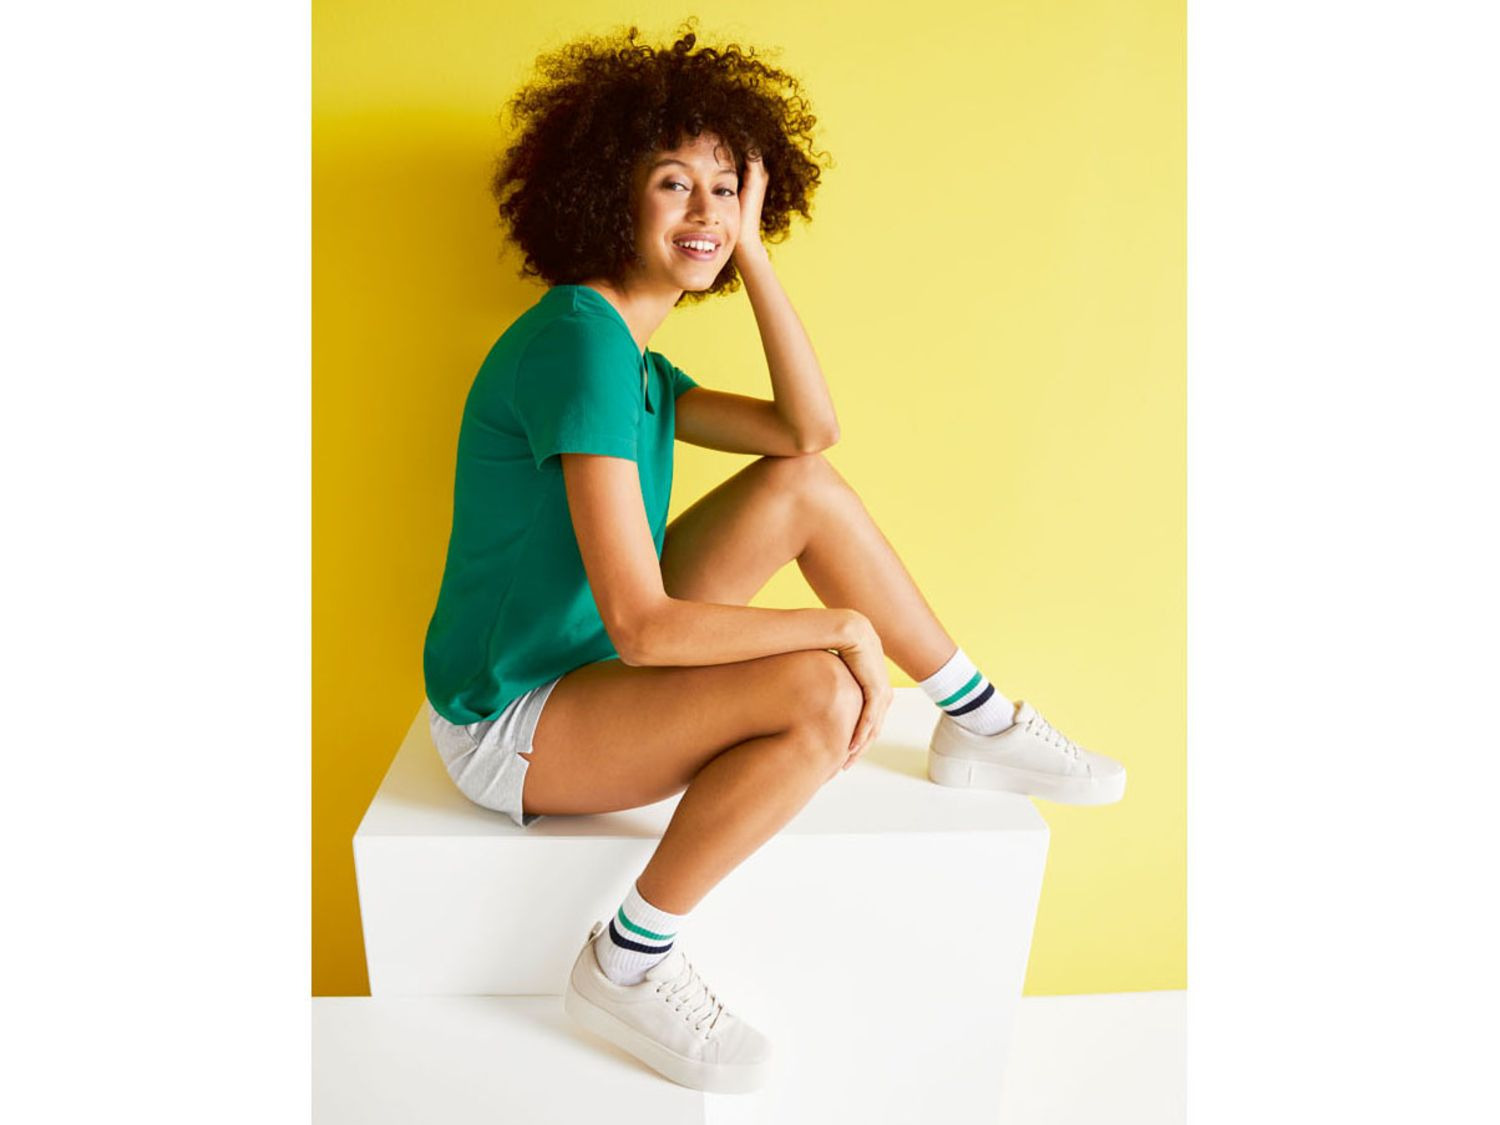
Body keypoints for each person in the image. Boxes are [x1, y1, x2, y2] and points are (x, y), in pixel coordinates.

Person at [421, 20, 1125, 1094]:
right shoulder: (578, 344)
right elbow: (643, 628)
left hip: (581, 654)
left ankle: (975, 718)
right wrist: (840, 628)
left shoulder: (632, 359)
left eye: (728, 187)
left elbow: (808, 433)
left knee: (801, 488)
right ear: (608, 194)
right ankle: (627, 960)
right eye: (674, 184)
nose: (704, 211)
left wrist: (748, 250)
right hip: (509, 717)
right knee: (818, 692)